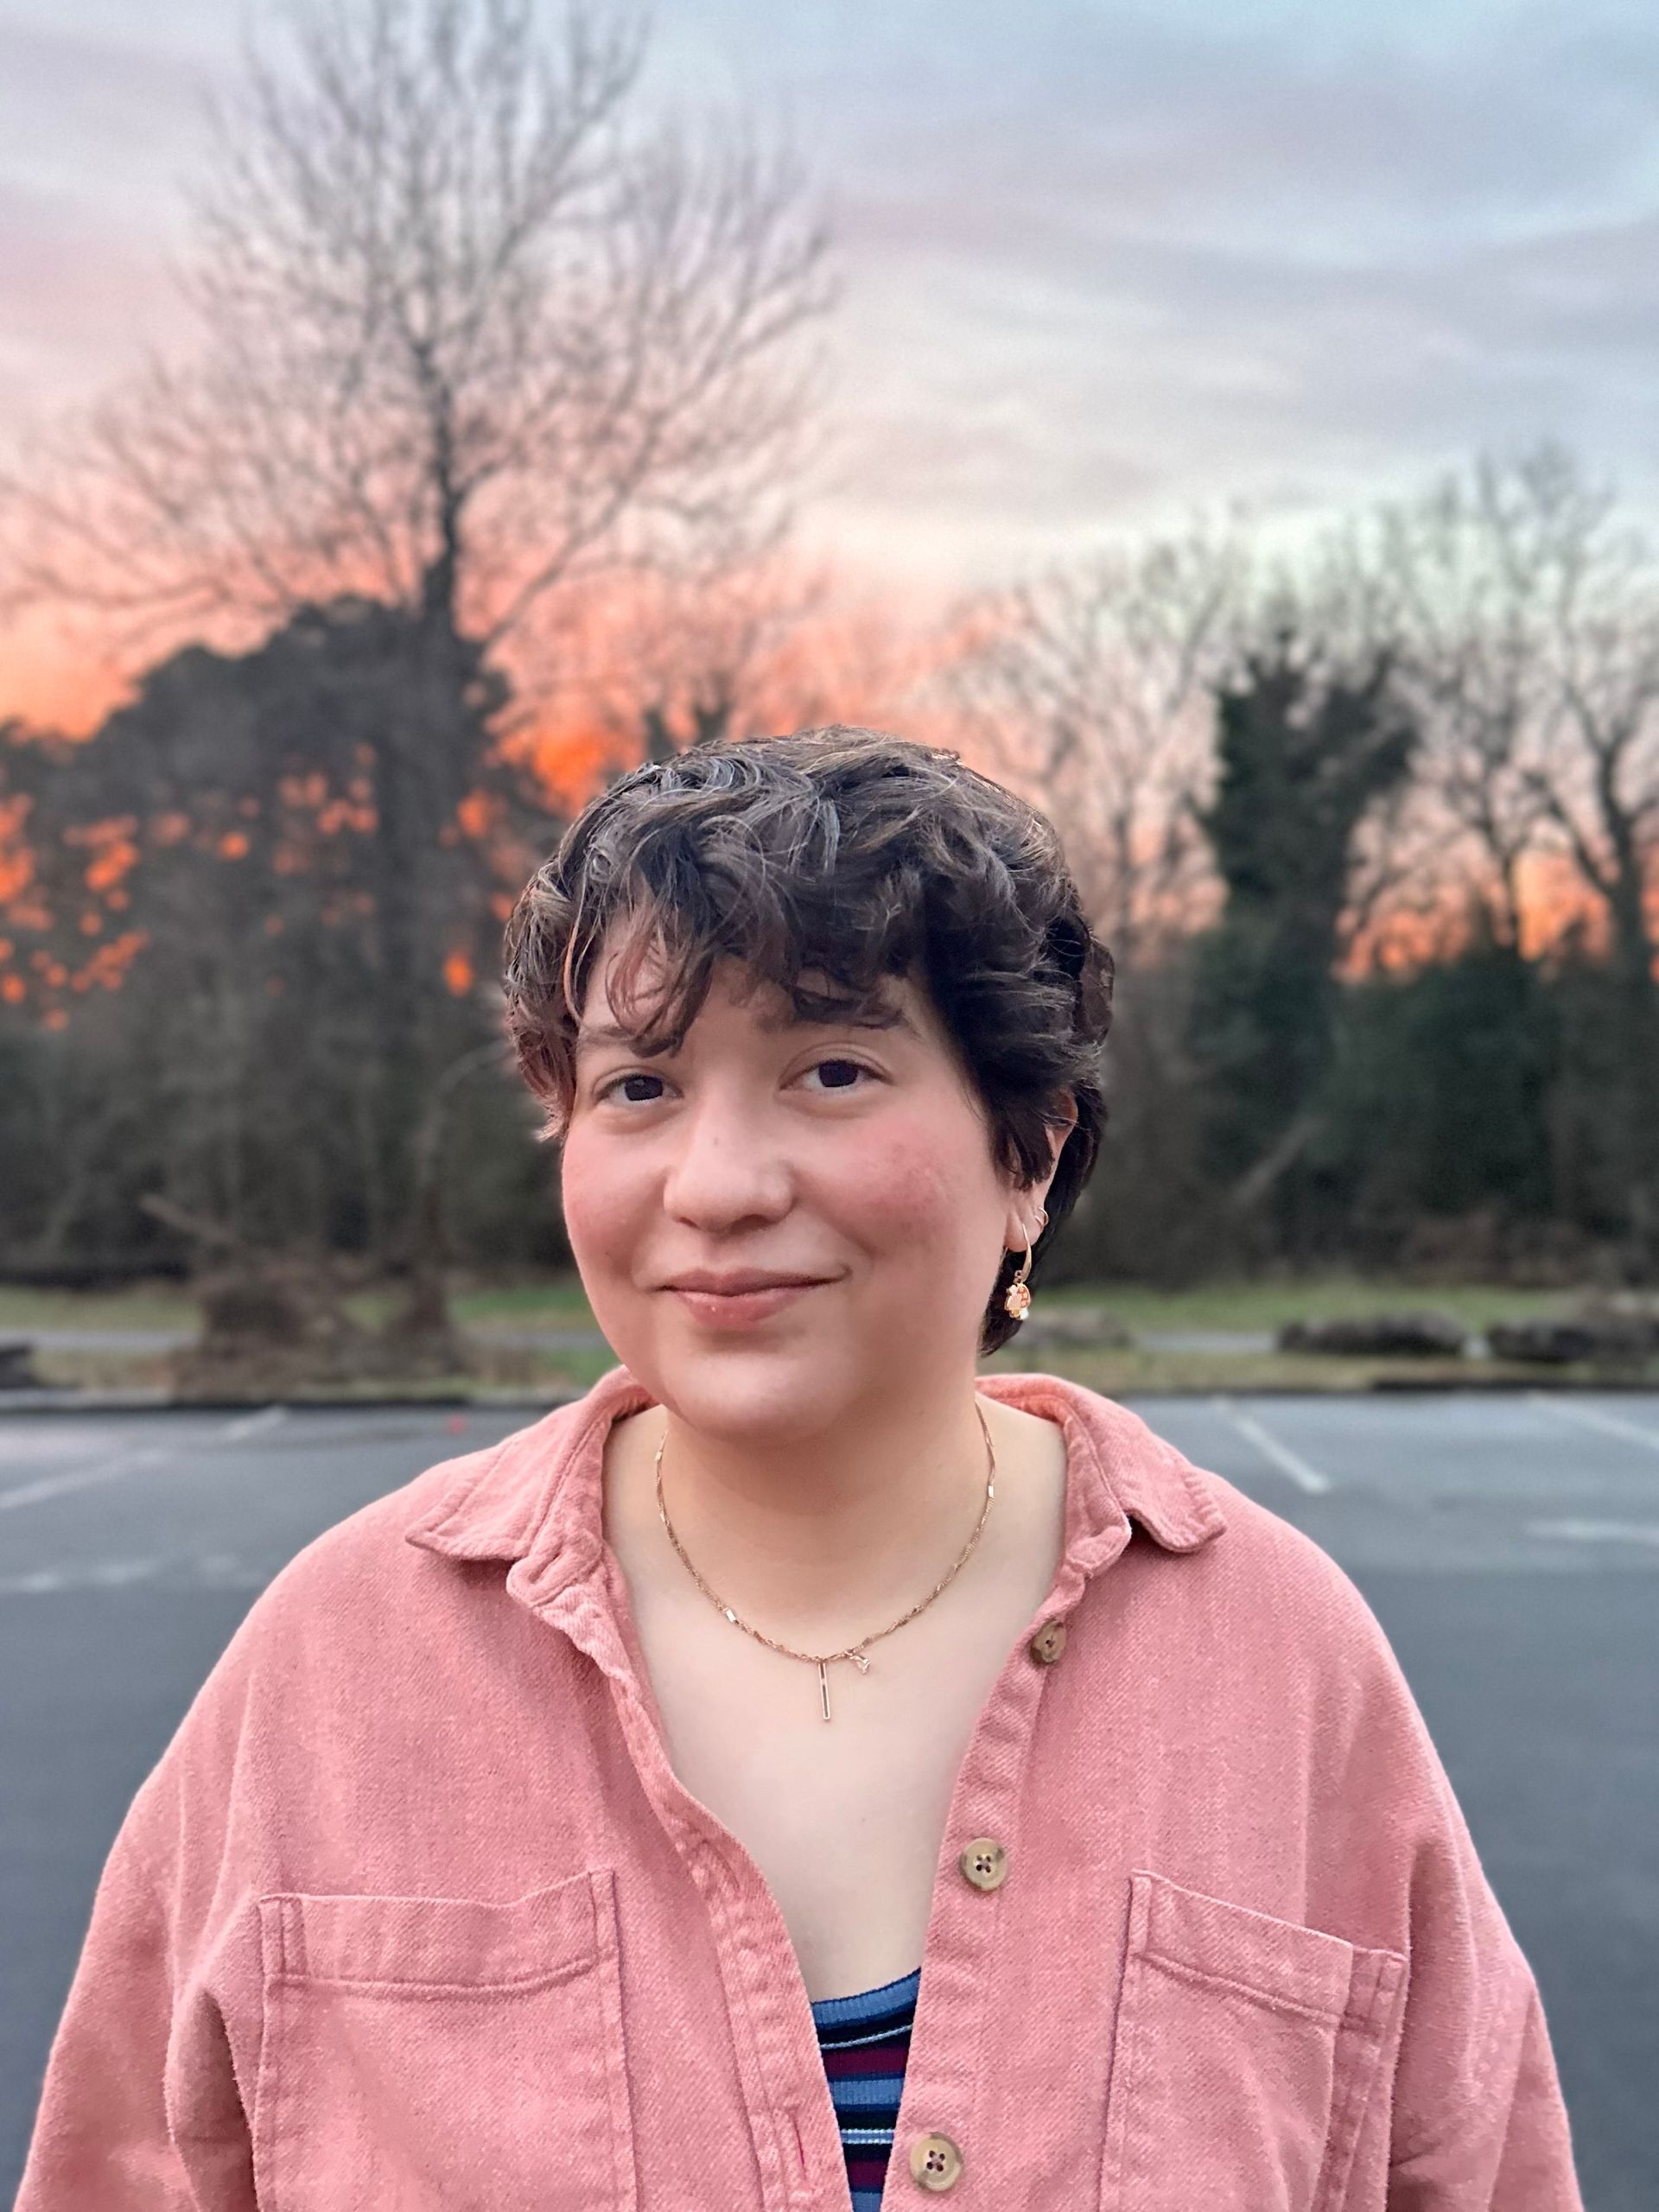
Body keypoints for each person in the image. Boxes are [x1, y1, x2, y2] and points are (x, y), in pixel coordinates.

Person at [16, 726, 1582, 2211]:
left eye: (832, 1070)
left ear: (1028, 1151)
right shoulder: (338, 1670)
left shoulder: (1281, 1665)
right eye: (639, 1086)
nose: (717, 1184)